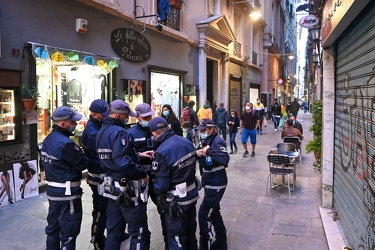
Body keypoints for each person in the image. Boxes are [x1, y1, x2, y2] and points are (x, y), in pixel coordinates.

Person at [96, 100, 152, 250]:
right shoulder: (120, 132)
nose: (128, 118)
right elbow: (123, 162)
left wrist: (138, 155)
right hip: (127, 189)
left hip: (112, 188)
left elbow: (114, 157)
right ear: (120, 115)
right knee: (138, 232)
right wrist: (142, 173)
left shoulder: (102, 131)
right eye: (127, 115)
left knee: (114, 231)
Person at [41, 106, 88, 249]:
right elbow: (83, 164)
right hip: (67, 194)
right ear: (63, 123)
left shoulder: (49, 139)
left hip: (53, 192)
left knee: (53, 230)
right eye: (72, 122)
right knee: (69, 234)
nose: (75, 124)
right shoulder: (66, 143)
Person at [149, 117, 199, 250]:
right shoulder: (186, 141)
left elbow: (162, 184)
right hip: (191, 195)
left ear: (154, 133)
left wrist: (154, 188)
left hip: (175, 201)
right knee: (190, 233)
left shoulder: (161, 152)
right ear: (168, 127)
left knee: (176, 238)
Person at [82, 99, 125, 250]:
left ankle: (114, 233)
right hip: (98, 175)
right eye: (103, 115)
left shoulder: (99, 126)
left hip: (105, 174)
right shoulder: (92, 132)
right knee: (100, 209)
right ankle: (97, 239)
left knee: (110, 207)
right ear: (94, 114)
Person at [127, 103, 158, 248]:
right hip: (141, 178)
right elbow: (127, 156)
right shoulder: (131, 133)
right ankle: (144, 241)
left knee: (164, 209)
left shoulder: (156, 129)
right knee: (139, 214)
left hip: (157, 176)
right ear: (137, 117)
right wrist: (140, 155)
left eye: (150, 116)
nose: (148, 118)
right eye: (145, 117)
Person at [195, 118, 229, 250]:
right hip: (209, 181)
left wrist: (208, 151)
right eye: (200, 130)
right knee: (214, 211)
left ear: (211, 129)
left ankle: (205, 244)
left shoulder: (218, 141)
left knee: (204, 213)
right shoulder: (206, 140)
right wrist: (198, 153)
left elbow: (224, 160)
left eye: (203, 130)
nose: (201, 132)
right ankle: (221, 242)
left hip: (216, 182)